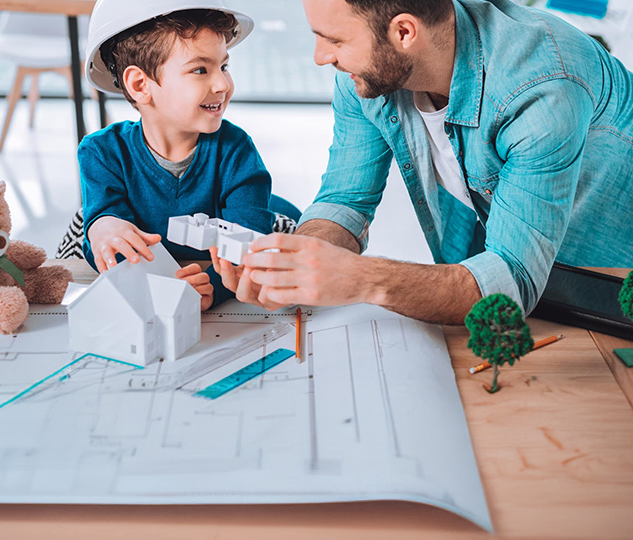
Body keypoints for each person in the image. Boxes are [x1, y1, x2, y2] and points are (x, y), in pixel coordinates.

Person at [214, 0, 633, 324]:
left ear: (404, 32)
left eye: (335, 40)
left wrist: (361, 278)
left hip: (608, 283)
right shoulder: (367, 77)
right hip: (524, 277)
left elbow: (511, 286)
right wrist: (294, 265)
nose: (320, 57)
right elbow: (345, 199)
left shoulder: (542, 89)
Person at [79, 0, 300, 310]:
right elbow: (107, 250)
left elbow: (246, 253)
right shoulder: (101, 153)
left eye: (224, 66)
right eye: (200, 69)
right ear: (141, 85)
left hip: (263, 224)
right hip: (158, 263)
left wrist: (213, 286)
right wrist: (103, 228)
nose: (222, 84)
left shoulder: (236, 150)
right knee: (86, 223)